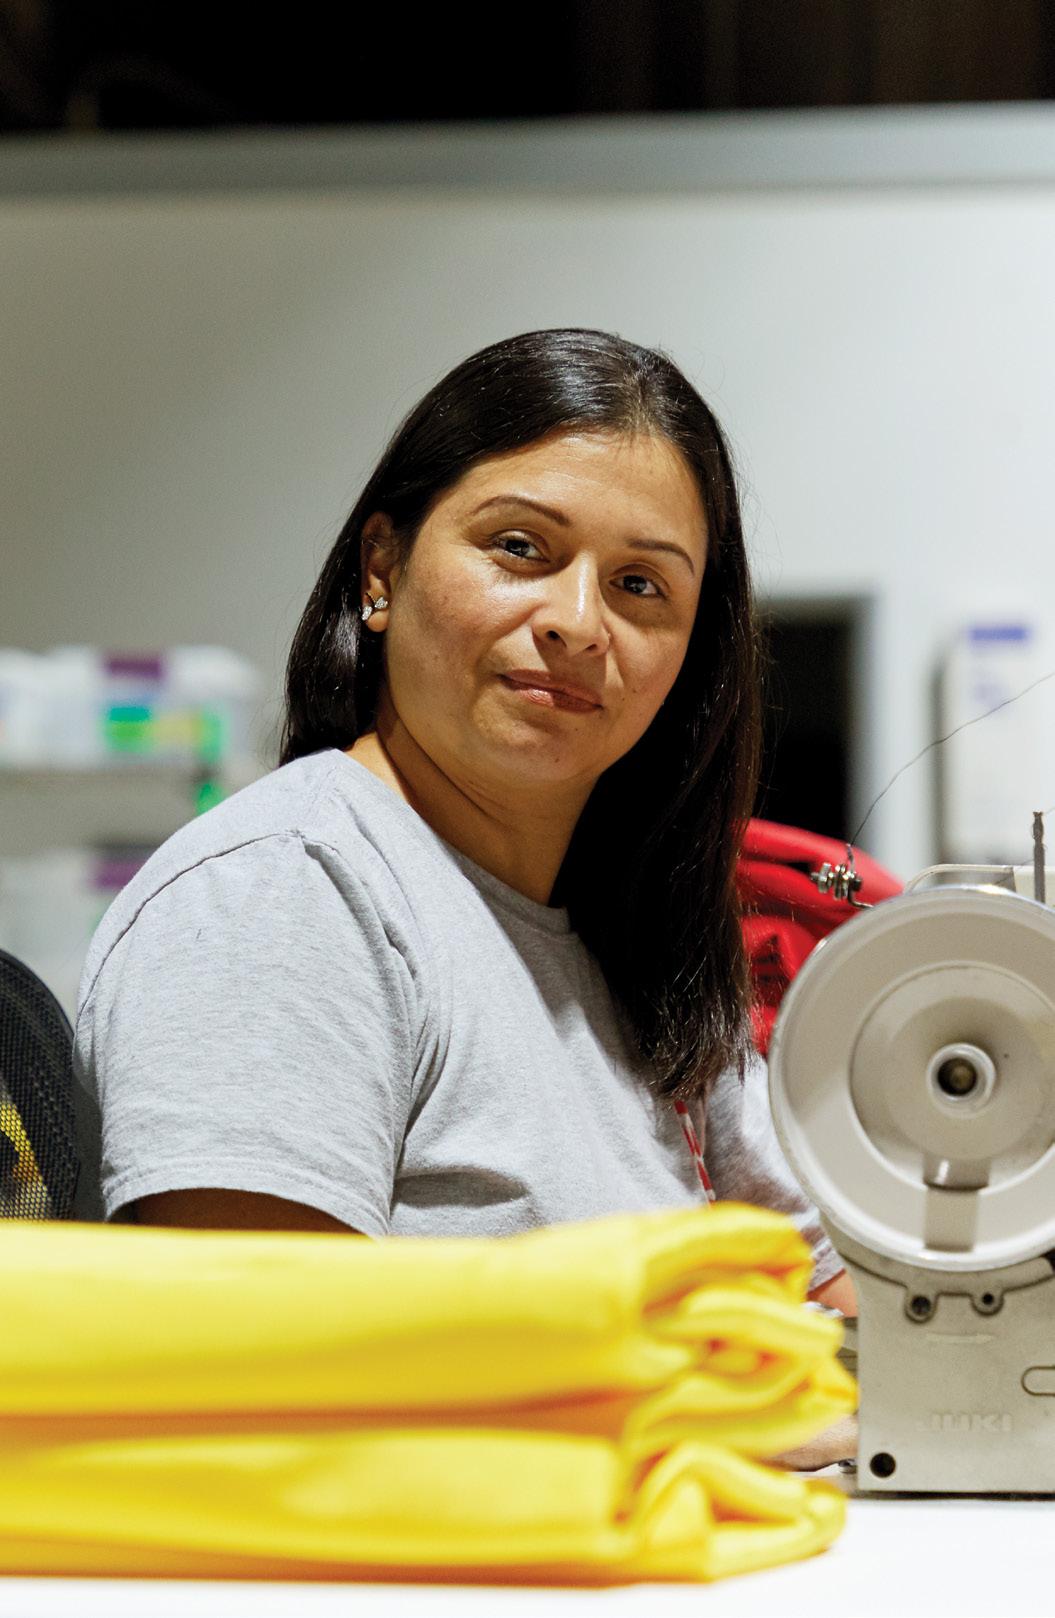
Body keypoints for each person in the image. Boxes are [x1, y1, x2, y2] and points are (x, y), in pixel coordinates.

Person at [73, 327, 853, 1315]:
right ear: (381, 569)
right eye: (519, 547)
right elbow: (266, 1366)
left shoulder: (642, 939)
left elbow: (830, 1305)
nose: (577, 621)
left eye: (639, 585)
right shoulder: (285, 894)